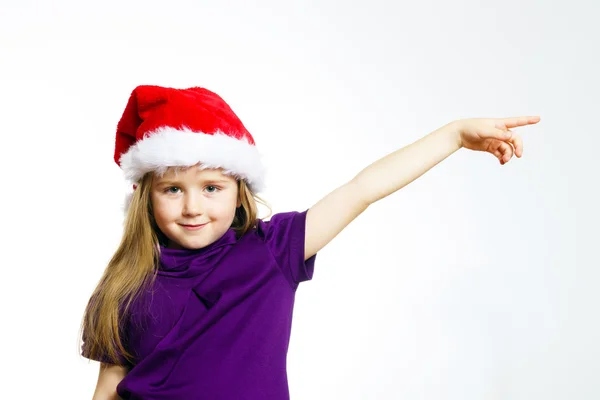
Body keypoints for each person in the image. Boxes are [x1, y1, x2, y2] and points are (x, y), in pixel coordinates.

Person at [80, 85, 540, 399]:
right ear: (146, 197)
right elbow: (109, 387)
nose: (193, 207)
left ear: (239, 189)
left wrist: (454, 135)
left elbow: (362, 189)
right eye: (173, 189)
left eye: (211, 187)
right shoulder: (128, 282)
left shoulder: (271, 250)